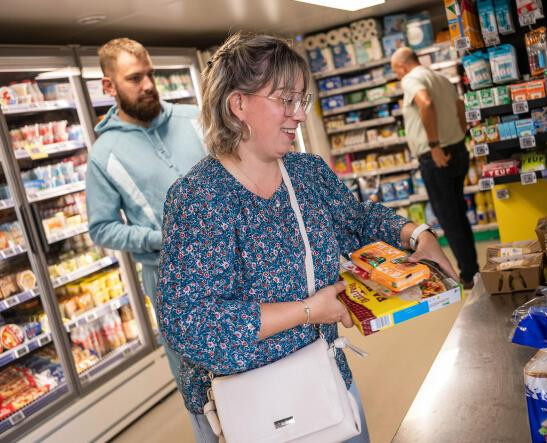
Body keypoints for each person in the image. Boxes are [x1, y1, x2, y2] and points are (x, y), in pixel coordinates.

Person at [157, 33, 458, 443]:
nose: (298, 114)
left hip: (326, 379)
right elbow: (190, 324)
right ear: (237, 104)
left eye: (302, 100)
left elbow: (355, 221)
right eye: (285, 99)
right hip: (250, 408)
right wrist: (309, 311)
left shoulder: (306, 173)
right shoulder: (199, 198)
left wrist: (416, 234)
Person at [85, 38, 206, 401]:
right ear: (109, 87)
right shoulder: (104, 155)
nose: (149, 85)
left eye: (150, 74)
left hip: (237, 258)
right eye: (134, 78)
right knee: (197, 381)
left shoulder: (195, 119)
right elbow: (101, 227)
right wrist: (158, 238)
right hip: (170, 278)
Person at [391, 47, 479, 289]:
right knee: (458, 213)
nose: (397, 76)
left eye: (395, 71)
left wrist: (434, 145)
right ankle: (472, 268)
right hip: (458, 150)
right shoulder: (440, 78)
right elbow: (460, 106)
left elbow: (425, 103)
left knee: (449, 218)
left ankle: (469, 275)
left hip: (437, 157)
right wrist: (461, 135)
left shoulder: (411, 78)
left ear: (402, 66)